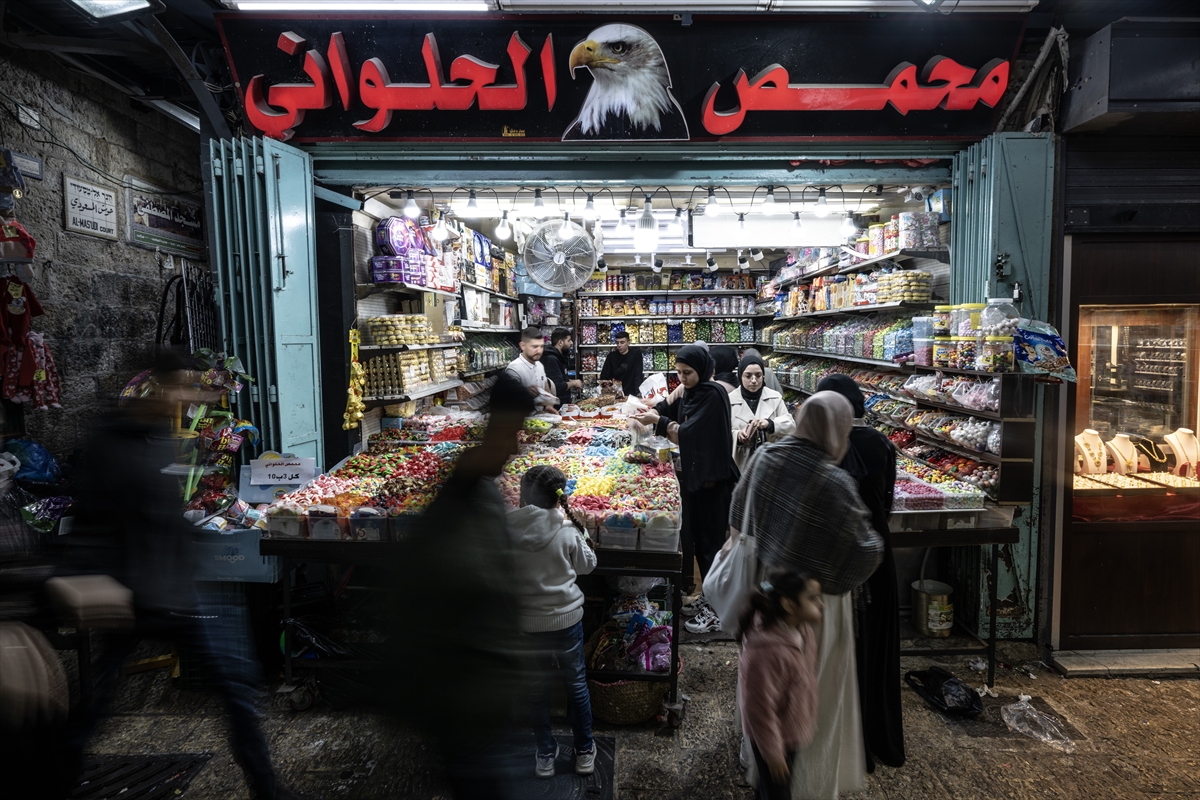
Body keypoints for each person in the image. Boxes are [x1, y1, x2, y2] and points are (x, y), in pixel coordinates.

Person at [58, 351, 293, 800]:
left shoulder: (159, 437)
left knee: (237, 691)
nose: (188, 397)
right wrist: (86, 577)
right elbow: (92, 519)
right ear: (157, 386)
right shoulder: (109, 443)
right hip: (134, 592)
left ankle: (268, 789)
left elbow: (162, 514)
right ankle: (56, 776)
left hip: (180, 590)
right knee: (98, 701)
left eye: (192, 387)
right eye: (181, 387)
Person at [384, 373, 535, 799]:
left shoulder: (479, 489)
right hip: (463, 688)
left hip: (475, 688)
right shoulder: (464, 499)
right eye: (513, 433)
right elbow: (465, 589)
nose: (516, 446)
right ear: (499, 429)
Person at [730, 391, 882, 800]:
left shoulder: (766, 458)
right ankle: (809, 783)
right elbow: (867, 550)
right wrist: (833, 575)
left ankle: (764, 760)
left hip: (769, 589)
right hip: (816, 604)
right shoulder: (833, 480)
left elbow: (738, 507)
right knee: (812, 692)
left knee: (767, 689)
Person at [815, 373, 905, 771]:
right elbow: (884, 504)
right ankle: (876, 738)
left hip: (837, 563)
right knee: (874, 651)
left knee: (840, 654)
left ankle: (843, 747)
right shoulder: (880, 444)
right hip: (877, 559)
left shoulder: (822, 445)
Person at [632, 344, 739, 634]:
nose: (683, 378)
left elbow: (689, 435)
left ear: (703, 370)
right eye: (678, 373)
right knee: (701, 545)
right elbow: (672, 405)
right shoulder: (692, 391)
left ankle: (719, 610)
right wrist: (650, 410)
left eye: (688, 373)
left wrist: (659, 421)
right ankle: (708, 598)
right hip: (697, 479)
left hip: (713, 482)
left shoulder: (713, 395)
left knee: (711, 548)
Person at [507, 465, 598, 778]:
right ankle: (584, 752)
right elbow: (588, 566)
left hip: (528, 624)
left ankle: (545, 754)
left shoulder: (508, 529)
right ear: (559, 498)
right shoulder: (567, 529)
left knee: (536, 690)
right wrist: (582, 532)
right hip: (566, 621)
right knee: (576, 686)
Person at [737, 571, 824, 800]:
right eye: (813, 598)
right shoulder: (766, 653)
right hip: (772, 737)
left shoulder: (802, 630)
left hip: (788, 729)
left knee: (771, 788)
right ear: (789, 604)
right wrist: (774, 754)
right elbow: (759, 710)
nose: (821, 604)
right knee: (778, 792)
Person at [730, 352, 796, 470]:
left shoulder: (774, 398)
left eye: (758, 375)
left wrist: (770, 424)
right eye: (748, 376)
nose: (754, 380)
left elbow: (791, 425)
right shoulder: (730, 400)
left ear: (763, 376)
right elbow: (722, 433)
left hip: (771, 464)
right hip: (741, 465)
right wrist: (738, 436)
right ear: (740, 376)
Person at [506, 326, 558, 413]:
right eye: (535, 347)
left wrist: (549, 405)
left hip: (539, 420)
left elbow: (546, 389)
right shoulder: (514, 369)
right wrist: (525, 393)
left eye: (541, 346)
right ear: (523, 346)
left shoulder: (539, 365)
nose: (539, 351)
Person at [541, 327, 582, 409]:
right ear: (560, 342)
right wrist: (574, 383)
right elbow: (558, 386)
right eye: (569, 340)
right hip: (556, 408)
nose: (571, 343)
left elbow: (561, 378)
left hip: (562, 405)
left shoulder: (559, 357)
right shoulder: (551, 359)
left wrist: (572, 381)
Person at [599, 329, 644, 398]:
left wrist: (638, 393)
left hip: (632, 394)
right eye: (617, 343)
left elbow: (638, 375)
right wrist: (607, 392)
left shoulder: (636, 354)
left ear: (628, 343)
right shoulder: (611, 356)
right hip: (615, 395)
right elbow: (604, 376)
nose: (619, 345)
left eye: (622, 342)